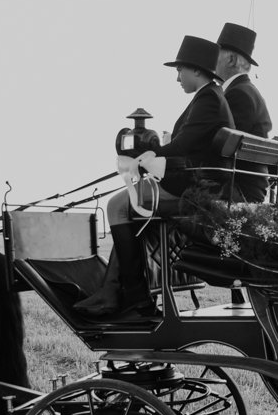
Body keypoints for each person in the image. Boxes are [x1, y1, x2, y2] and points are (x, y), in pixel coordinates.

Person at [75, 35, 235, 318]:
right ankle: (116, 291)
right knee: (129, 205)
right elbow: (186, 144)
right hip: (196, 183)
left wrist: (148, 152)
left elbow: (181, 146)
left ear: (196, 70)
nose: (177, 78)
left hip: (195, 189)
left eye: (180, 71)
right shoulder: (210, 98)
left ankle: (136, 299)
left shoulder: (208, 100)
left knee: (116, 205)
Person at [215, 22, 273, 202]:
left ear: (231, 60)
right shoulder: (245, 90)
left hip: (239, 188)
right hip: (247, 185)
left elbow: (222, 147)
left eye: (215, 55)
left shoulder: (238, 94)